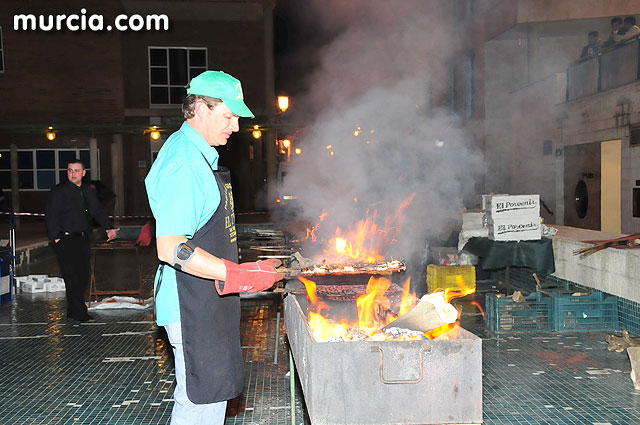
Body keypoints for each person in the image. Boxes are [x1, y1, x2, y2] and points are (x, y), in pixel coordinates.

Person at [144, 70, 285, 425]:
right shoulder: (184, 164)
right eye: (229, 116)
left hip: (206, 300)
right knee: (200, 406)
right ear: (199, 109)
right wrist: (238, 274)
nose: (235, 127)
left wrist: (246, 268)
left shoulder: (199, 155)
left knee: (208, 400)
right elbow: (172, 248)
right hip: (191, 305)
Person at [45, 159, 120, 321]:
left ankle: (74, 309)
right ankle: (79, 312)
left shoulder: (86, 190)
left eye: (76, 170)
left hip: (82, 239)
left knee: (83, 276)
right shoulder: (60, 191)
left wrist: (108, 227)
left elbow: (97, 211)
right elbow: (51, 214)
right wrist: (55, 238)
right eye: (70, 170)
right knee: (72, 277)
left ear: (83, 173)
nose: (73, 174)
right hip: (65, 240)